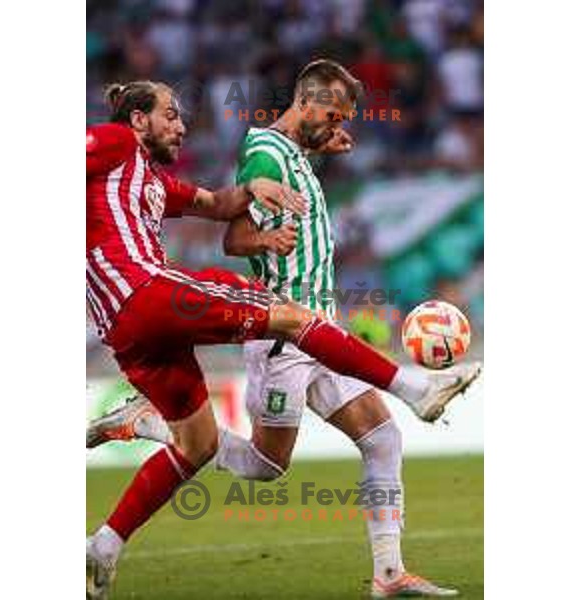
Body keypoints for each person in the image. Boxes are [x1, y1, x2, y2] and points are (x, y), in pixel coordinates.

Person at [87, 65, 480, 598]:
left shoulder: (160, 181)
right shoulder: (125, 141)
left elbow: (217, 205)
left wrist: (267, 178)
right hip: (227, 318)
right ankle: (419, 389)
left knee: (363, 437)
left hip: (299, 329)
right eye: (171, 115)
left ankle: (388, 574)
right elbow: (235, 236)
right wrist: (262, 235)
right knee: (267, 461)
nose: (183, 127)